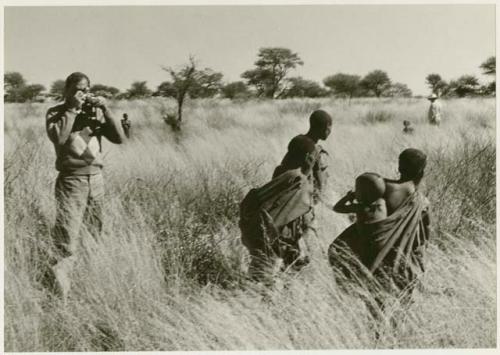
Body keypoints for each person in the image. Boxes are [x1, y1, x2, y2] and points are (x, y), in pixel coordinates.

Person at [45, 72, 124, 298]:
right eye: (78, 89)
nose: (83, 93)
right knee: (67, 237)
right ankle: (61, 294)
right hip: (72, 180)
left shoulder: (94, 113)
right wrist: (71, 109)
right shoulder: (56, 112)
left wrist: (106, 111)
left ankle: (88, 286)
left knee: (95, 233)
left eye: (86, 89)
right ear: (67, 90)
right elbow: (58, 138)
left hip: (96, 179)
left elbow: (119, 138)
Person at [239, 110, 332, 281]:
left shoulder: (296, 144)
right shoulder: (314, 152)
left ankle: (268, 280)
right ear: (326, 128)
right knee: (299, 250)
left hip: (281, 203)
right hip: (300, 207)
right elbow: (320, 187)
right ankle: (281, 283)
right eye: (329, 127)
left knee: (277, 245)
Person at [329, 149, 431, 301]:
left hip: (371, 257)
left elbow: (351, 210)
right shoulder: (421, 202)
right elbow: (422, 241)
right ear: (421, 173)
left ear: (399, 167)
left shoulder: (379, 187)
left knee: (374, 304)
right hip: (399, 263)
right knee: (398, 310)